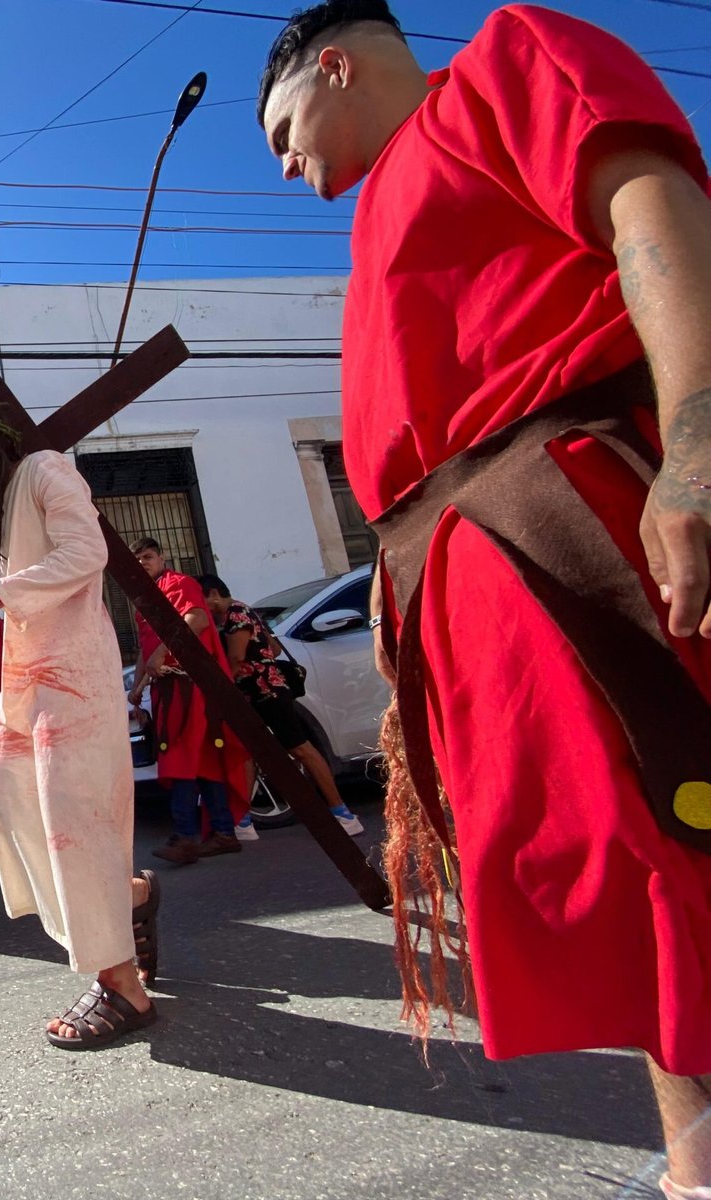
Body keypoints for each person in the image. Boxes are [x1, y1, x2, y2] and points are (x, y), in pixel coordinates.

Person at [257, 5, 711, 1193]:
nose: (283, 164)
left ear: (335, 64)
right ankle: (694, 1164)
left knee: (680, 832)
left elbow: (648, 201)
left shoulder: (504, 62)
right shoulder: (375, 219)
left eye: (281, 130)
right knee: (616, 886)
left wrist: (699, 445)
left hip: (573, 519)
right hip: (469, 585)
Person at [0, 396, 159, 1049]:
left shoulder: (45, 469)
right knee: (11, 802)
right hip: (24, 675)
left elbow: (86, 552)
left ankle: (122, 985)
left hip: (75, 668)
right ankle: (129, 898)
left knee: (71, 816)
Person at [197, 573, 362, 836]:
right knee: (250, 751)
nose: (201, 607)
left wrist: (223, 686)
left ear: (214, 593)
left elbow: (237, 657)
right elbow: (273, 649)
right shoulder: (245, 611)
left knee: (299, 748)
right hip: (263, 691)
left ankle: (342, 813)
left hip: (265, 692)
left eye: (201, 600)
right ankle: (244, 822)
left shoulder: (236, 614)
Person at [126, 539, 247, 866]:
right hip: (169, 689)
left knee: (180, 758)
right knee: (203, 760)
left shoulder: (179, 583)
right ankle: (222, 833)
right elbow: (145, 648)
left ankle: (185, 837)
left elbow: (197, 620)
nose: (143, 563)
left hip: (190, 686)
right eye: (137, 559)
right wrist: (136, 687)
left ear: (162, 557)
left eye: (148, 556)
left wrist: (161, 652)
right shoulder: (144, 598)